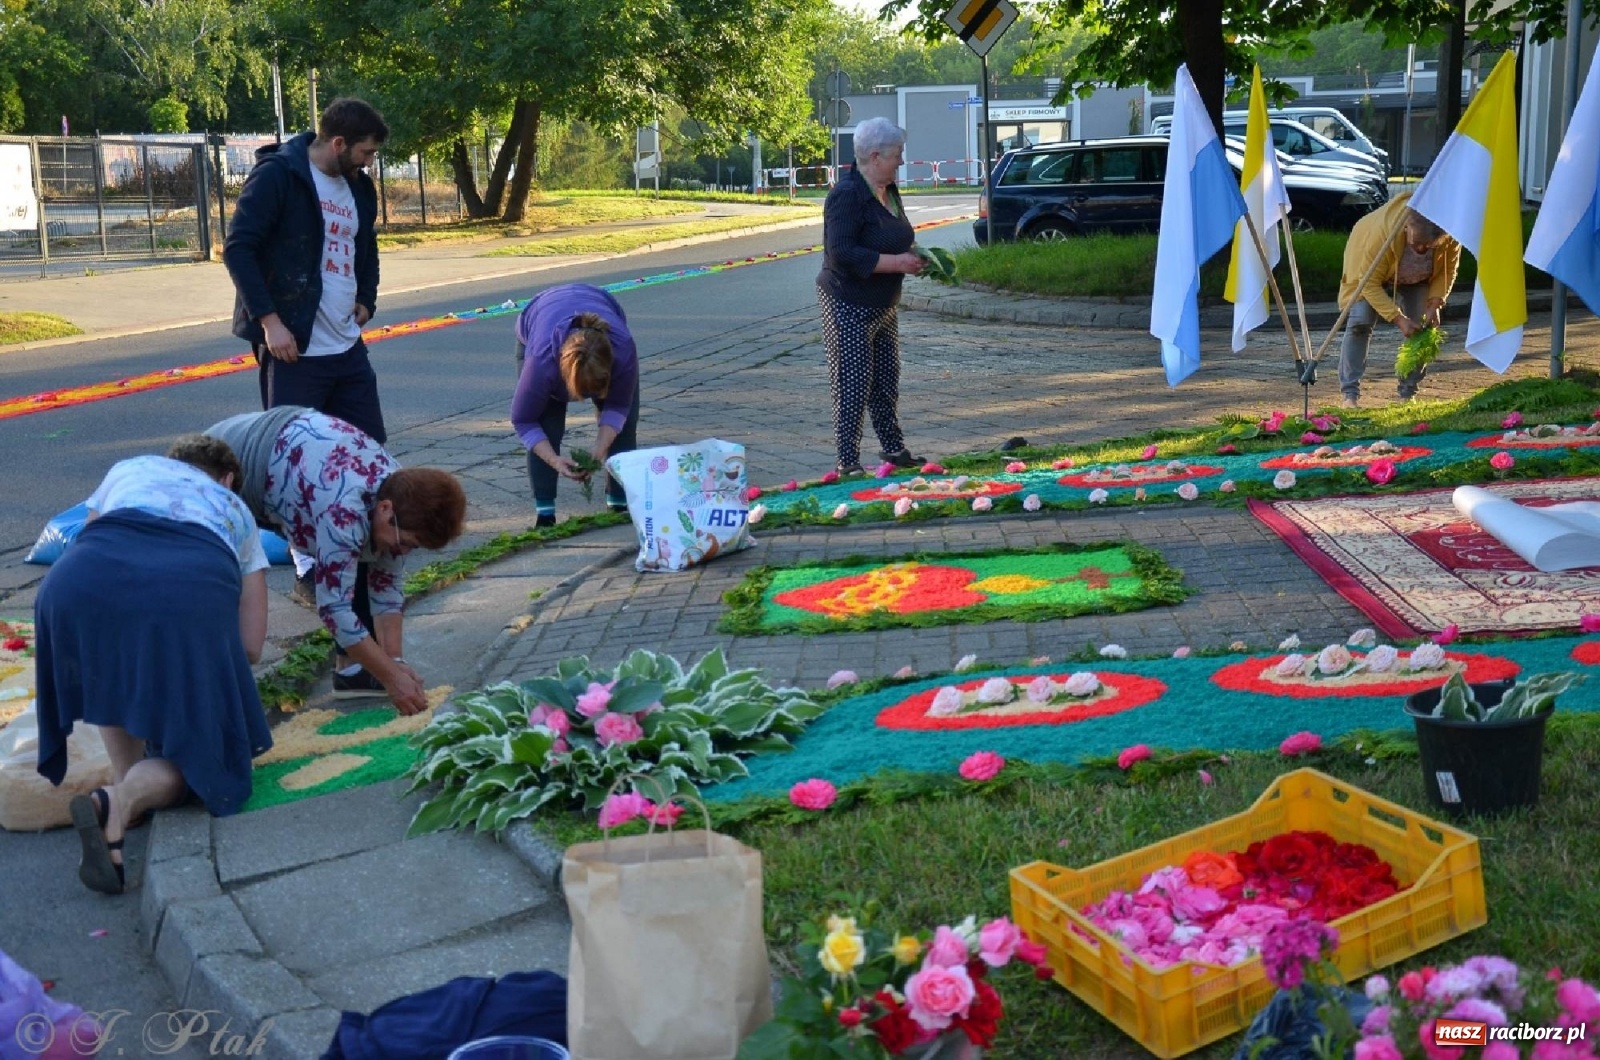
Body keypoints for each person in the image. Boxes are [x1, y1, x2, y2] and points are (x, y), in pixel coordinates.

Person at [35, 435, 272, 895]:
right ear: (227, 480)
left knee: (112, 678)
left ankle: (121, 818)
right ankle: (118, 800)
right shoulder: (235, 510)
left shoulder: (130, 469)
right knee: (208, 759)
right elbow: (250, 646)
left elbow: (90, 539)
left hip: (74, 586)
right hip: (182, 591)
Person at [223, 97, 390, 605]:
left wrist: (367, 301)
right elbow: (239, 248)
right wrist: (270, 323)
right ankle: (308, 570)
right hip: (294, 348)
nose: (368, 162)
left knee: (371, 451)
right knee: (292, 463)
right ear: (337, 144)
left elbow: (367, 249)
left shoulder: (359, 187)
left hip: (347, 346)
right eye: (364, 152)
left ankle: (364, 547)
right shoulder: (280, 177)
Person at [205, 407, 467, 708]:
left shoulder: (400, 492)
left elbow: (387, 585)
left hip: (283, 459)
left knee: (369, 555)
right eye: (406, 543)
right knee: (221, 584)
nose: (404, 553)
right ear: (384, 510)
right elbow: (333, 607)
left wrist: (395, 662)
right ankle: (216, 694)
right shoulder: (344, 511)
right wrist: (392, 679)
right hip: (222, 463)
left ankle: (352, 674)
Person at [817, 116, 926, 476]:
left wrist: (919, 256)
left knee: (886, 379)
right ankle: (847, 460)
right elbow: (841, 253)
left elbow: (895, 235)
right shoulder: (846, 196)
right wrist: (897, 262)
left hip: (884, 305)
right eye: (898, 155)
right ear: (875, 156)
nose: (902, 161)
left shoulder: (889, 190)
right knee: (854, 380)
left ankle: (893, 449)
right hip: (848, 302)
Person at [511, 283, 640, 527]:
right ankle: (545, 514)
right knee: (547, 424)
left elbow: (619, 406)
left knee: (624, 426)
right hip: (539, 314)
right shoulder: (541, 363)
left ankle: (619, 503)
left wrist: (599, 450)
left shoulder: (623, 349)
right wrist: (555, 460)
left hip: (600, 304)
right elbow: (524, 420)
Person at [1337, 192, 1461, 408]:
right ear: (1407, 226)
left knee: (1423, 328)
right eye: (1418, 243)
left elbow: (1447, 271)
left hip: (1418, 277)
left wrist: (1435, 303)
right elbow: (1370, 283)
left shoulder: (1449, 232)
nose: (1422, 249)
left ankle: (1407, 394)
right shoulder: (1382, 234)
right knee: (1360, 322)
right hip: (1369, 271)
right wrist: (1398, 318)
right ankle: (1350, 396)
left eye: (1429, 246)